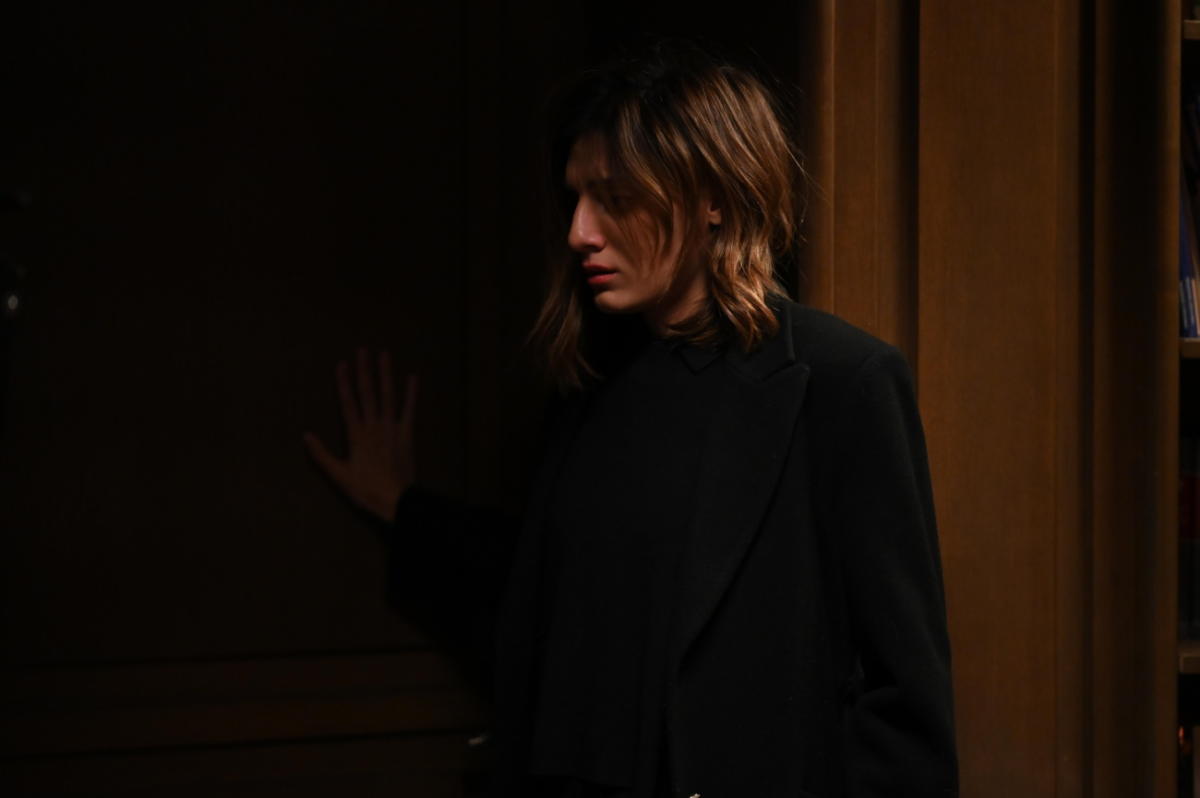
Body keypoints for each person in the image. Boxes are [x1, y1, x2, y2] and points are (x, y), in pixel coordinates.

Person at [304, 40, 958, 798]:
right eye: (576, 197)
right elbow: (556, 595)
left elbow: (905, 711)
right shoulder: (588, 386)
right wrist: (403, 508)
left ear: (714, 197)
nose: (580, 231)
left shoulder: (841, 382)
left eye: (614, 197)